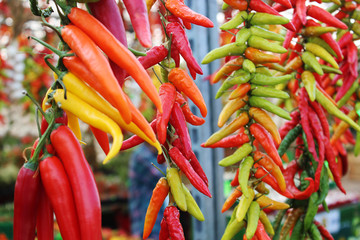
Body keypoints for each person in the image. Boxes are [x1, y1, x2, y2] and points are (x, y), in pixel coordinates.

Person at [128, 143, 166, 239]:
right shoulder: (142, 156)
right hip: (145, 218)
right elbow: (165, 177)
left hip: (153, 216)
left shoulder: (151, 154)